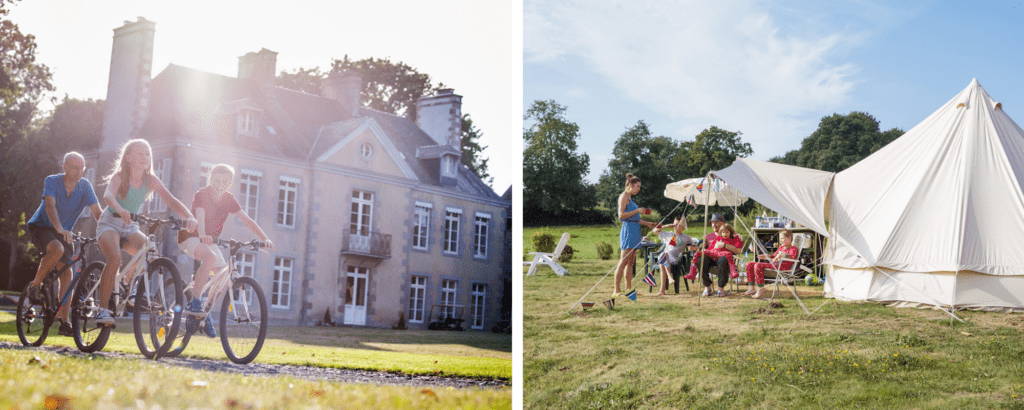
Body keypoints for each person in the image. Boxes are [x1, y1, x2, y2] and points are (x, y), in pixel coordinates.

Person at [95, 139, 197, 326]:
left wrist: (189, 216)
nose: (145, 157)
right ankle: (102, 310)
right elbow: (108, 195)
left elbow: (172, 201)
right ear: (128, 158)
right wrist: (119, 208)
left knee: (150, 253)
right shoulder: (119, 177)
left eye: (147, 154)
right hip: (109, 223)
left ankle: (133, 291)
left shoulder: (150, 180)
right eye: (140, 153)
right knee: (115, 258)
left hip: (130, 227)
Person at [178, 164, 274, 337]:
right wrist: (203, 235)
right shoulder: (201, 194)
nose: (220, 184)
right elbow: (199, 216)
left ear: (229, 184)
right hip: (190, 237)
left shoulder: (229, 199)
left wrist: (264, 238)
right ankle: (195, 302)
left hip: (210, 240)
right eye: (216, 180)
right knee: (210, 257)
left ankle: (204, 314)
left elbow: (247, 220)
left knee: (223, 277)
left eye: (224, 181)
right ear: (210, 179)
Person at [24, 152, 104, 336]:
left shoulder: (85, 186)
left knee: (67, 274)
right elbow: (50, 207)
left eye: (82, 168)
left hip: (64, 233)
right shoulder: (52, 181)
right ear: (65, 167)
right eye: (75, 167)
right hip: (42, 226)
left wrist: (108, 232)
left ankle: (64, 322)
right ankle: (35, 285)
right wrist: (59, 228)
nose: (79, 172)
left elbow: (98, 213)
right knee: (57, 249)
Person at [613, 173, 657, 296]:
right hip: (628, 231)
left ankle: (629, 289)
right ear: (630, 185)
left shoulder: (631, 198)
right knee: (623, 261)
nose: (639, 189)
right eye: (637, 186)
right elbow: (621, 216)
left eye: (639, 187)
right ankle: (616, 289)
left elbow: (635, 219)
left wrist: (647, 223)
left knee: (631, 262)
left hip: (635, 229)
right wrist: (637, 210)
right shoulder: (623, 197)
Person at [688, 215, 742, 297]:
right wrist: (697, 248)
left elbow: (738, 250)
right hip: (712, 257)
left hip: (725, 258)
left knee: (723, 260)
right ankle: (707, 286)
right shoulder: (709, 236)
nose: (714, 225)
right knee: (701, 259)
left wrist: (724, 245)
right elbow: (706, 248)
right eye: (712, 223)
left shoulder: (731, 237)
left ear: (723, 223)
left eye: (716, 222)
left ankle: (721, 288)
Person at [743, 229, 798, 299]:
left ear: (789, 238)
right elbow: (773, 256)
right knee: (749, 264)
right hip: (774, 266)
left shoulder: (793, 249)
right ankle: (752, 288)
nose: (780, 240)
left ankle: (761, 288)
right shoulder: (781, 247)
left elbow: (791, 257)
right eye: (780, 239)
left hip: (781, 268)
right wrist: (767, 256)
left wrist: (781, 255)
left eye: (782, 238)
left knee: (758, 265)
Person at [651, 217, 693, 296]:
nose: (675, 226)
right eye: (674, 224)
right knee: (664, 256)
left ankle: (662, 289)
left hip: (674, 258)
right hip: (665, 257)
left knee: (662, 258)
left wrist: (690, 248)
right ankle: (669, 278)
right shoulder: (669, 234)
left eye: (677, 224)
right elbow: (654, 230)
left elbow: (694, 246)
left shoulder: (686, 237)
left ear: (682, 226)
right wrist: (667, 226)